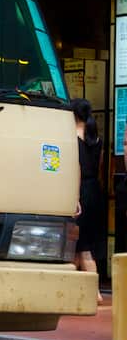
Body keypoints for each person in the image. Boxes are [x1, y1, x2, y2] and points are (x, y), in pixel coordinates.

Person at [72, 99, 104, 275]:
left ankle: (94, 291)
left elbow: (77, 169)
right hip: (94, 190)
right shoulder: (96, 139)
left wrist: (76, 198)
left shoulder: (73, 138)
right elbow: (99, 166)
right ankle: (83, 290)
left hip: (81, 191)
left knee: (82, 246)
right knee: (81, 246)